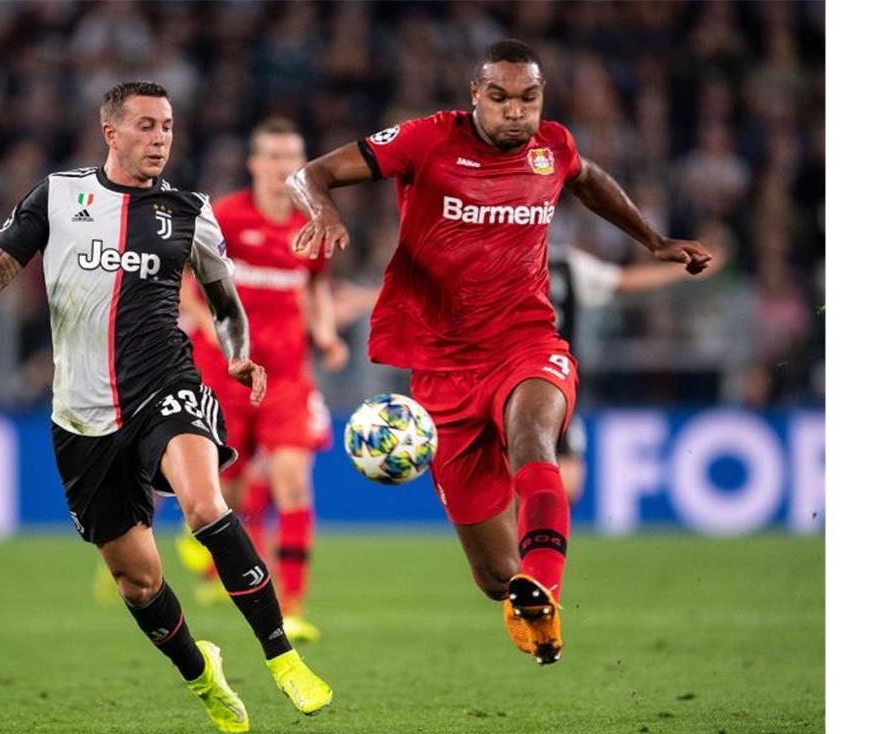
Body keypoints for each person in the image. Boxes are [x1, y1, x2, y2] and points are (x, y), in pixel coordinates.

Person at [287, 40, 712, 665]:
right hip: (441, 370)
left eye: (529, 98)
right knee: (493, 575)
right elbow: (310, 173)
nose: (516, 111)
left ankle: (544, 591)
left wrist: (651, 240)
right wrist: (322, 210)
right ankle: (521, 589)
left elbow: (588, 180)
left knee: (534, 441)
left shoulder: (554, 148)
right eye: (501, 97)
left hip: (528, 343)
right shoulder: (427, 139)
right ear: (475, 97)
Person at [0, 81, 332, 733]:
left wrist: (236, 354)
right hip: (83, 417)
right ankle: (202, 674)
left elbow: (226, 304)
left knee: (207, 505)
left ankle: (281, 655)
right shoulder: (59, 196)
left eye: (168, 127)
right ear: (111, 133)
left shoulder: (189, 210)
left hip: (168, 383)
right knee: (139, 583)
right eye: (146, 126)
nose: (160, 139)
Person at [175, 118, 347, 644]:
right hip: (224, 374)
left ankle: (291, 605)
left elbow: (315, 287)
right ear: (254, 163)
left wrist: (326, 334)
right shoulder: (225, 218)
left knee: (292, 479)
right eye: (271, 156)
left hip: (289, 376)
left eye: (291, 157)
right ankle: (213, 559)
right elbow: (187, 285)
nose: (281, 167)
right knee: (225, 487)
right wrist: (215, 335)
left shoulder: (313, 224)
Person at [547, 242, 725, 501]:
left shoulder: (566, 263)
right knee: (534, 486)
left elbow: (622, 280)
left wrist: (681, 270)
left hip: (559, 393)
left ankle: (533, 535)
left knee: (565, 488)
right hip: (512, 384)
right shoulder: (500, 260)